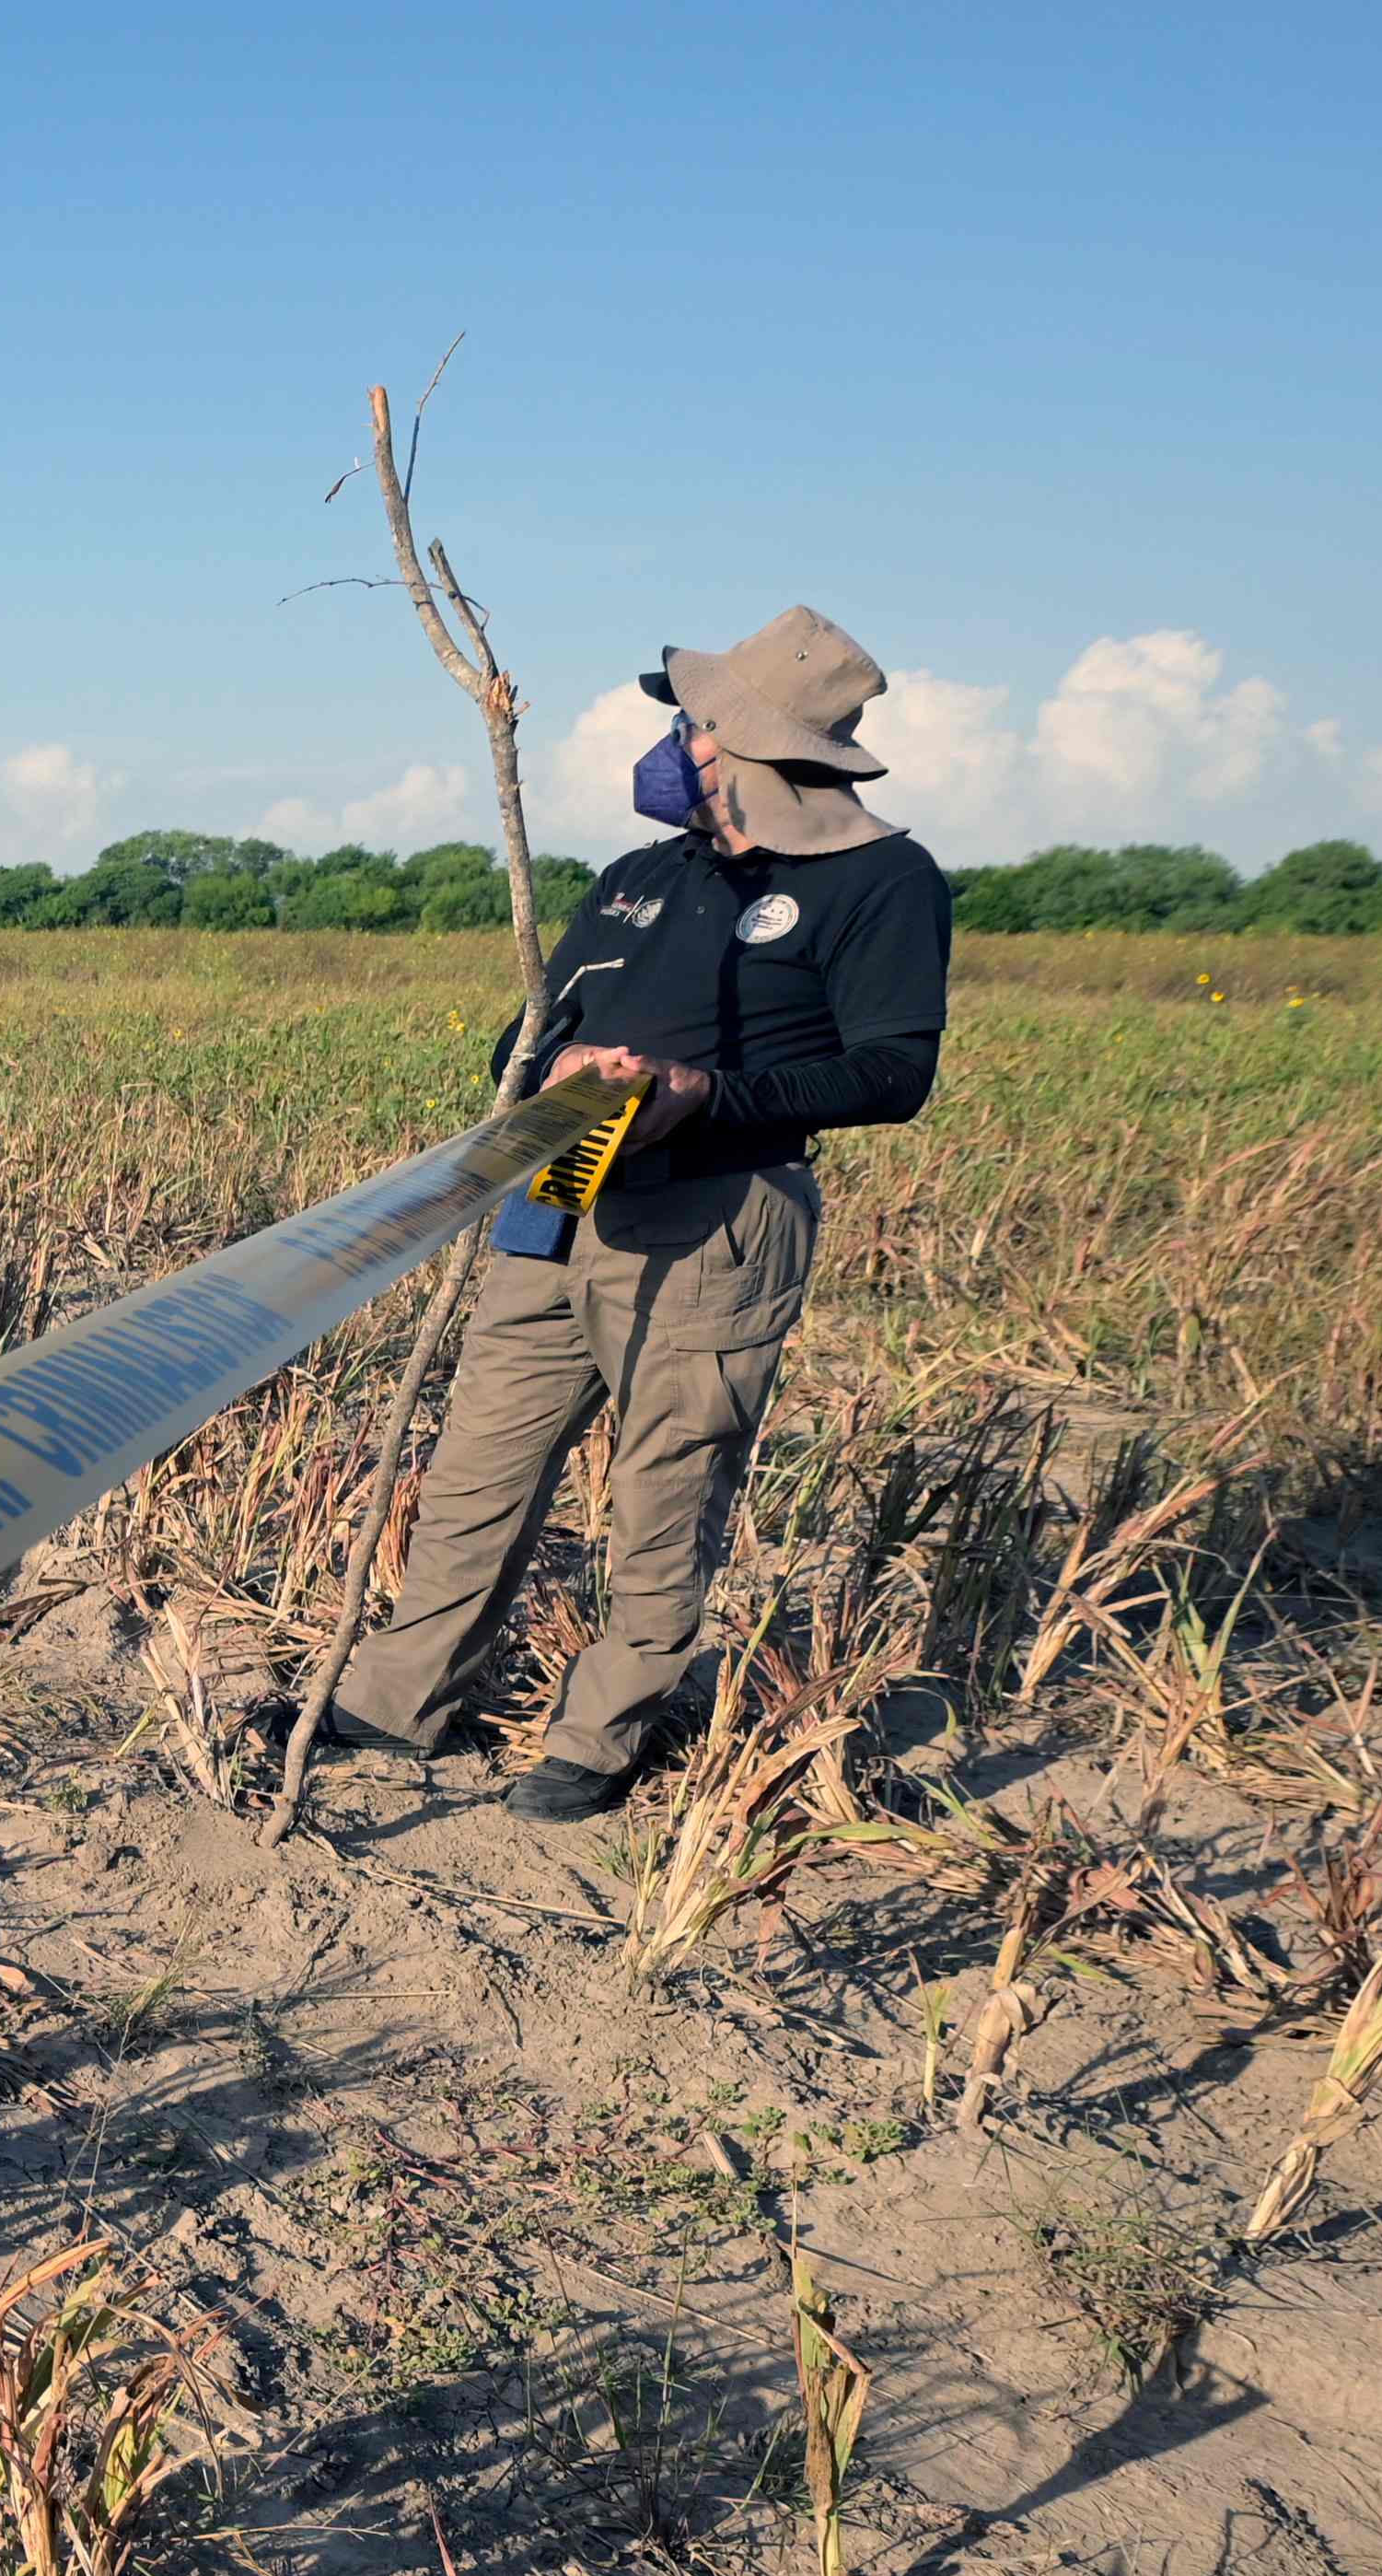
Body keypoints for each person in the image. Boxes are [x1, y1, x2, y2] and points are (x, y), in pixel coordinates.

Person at [324, 606, 953, 1820]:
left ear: (757, 753)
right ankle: (398, 1696)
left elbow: (894, 1073)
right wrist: (544, 1069)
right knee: (478, 1464)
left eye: (698, 725)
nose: (677, 742)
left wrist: (705, 1097)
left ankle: (604, 1731)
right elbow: (532, 1023)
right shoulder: (637, 879)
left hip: (719, 1211)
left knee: (666, 1487)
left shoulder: (880, 881)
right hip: (563, 1190)